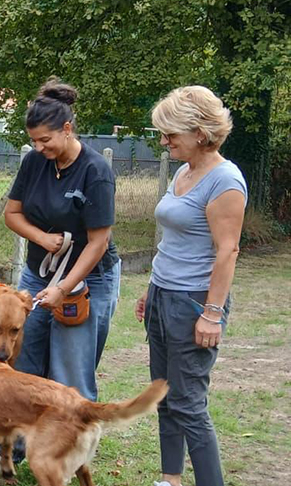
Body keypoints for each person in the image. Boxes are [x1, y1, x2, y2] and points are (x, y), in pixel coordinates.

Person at [0, 79, 122, 471]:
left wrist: (63, 287)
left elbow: (98, 243)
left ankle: (71, 456)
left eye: (45, 141)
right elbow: (13, 214)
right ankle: (6, 449)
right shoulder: (34, 162)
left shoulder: (95, 171)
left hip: (88, 279)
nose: (39, 148)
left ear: (68, 129)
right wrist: (43, 238)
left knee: (70, 371)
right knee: (19, 362)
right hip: (37, 275)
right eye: (35, 142)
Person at [138, 86, 245, 486]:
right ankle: (171, 480)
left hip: (195, 302)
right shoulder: (184, 171)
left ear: (200, 132)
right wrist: (152, 288)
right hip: (164, 294)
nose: (164, 142)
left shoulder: (225, 181)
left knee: (189, 404)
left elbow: (228, 251)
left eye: (171, 135)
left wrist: (212, 314)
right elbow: (173, 240)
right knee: (165, 396)